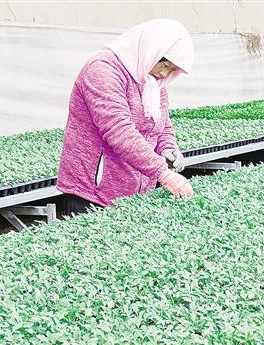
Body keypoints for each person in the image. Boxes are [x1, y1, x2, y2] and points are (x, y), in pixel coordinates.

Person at [57, 19, 195, 216]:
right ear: (151, 49)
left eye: (172, 69)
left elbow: (162, 122)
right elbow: (119, 131)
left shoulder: (151, 79)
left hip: (134, 193)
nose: (165, 72)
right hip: (94, 194)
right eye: (164, 63)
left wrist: (168, 148)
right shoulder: (103, 70)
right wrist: (163, 173)